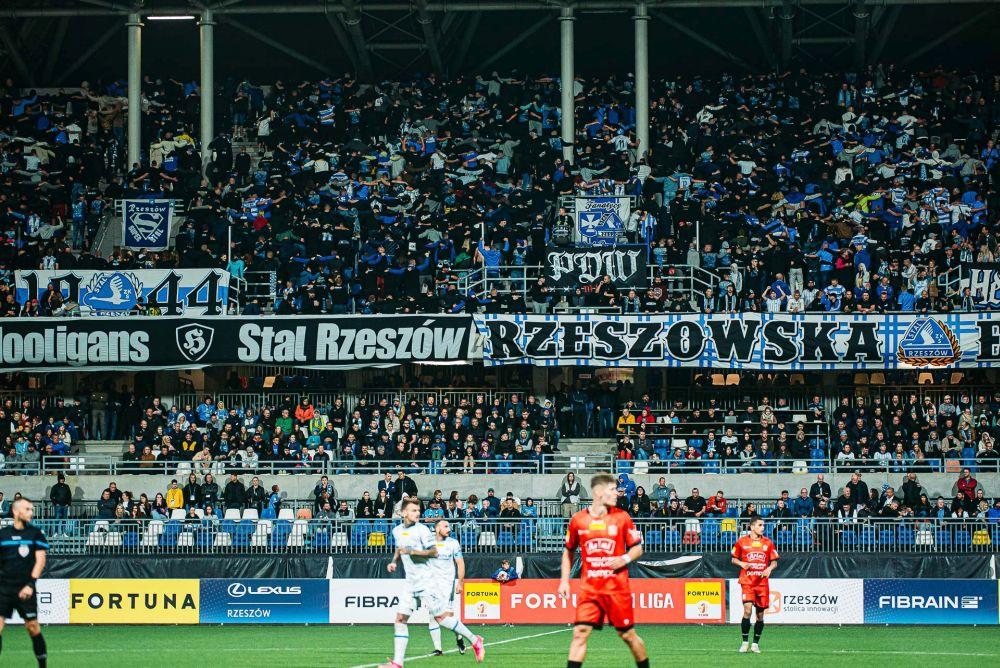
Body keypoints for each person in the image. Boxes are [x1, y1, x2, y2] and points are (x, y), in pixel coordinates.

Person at [380, 498, 484, 667]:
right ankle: (398, 663)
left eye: (418, 510)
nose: (418, 513)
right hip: (410, 582)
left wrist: (412, 551)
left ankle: (474, 639)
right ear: (404, 512)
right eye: (414, 510)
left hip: (426, 581)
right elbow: (400, 548)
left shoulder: (422, 531)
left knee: (441, 618)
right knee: (400, 620)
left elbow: (433, 552)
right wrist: (394, 561)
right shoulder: (397, 531)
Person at [560, 473, 648, 668]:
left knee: (628, 635)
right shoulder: (578, 520)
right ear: (598, 492)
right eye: (612, 489)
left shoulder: (622, 517)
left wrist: (624, 558)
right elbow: (568, 552)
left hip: (617, 588)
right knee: (580, 633)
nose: (617, 493)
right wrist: (564, 580)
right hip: (589, 589)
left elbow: (637, 548)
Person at [0, 497, 49, 667]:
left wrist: (30, 584)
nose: (31, 512)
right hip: (3, 589)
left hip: (25, 588)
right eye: (27, 509)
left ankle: (43, 665)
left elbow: (40, 560)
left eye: (31, 509)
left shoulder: (35, 533)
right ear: (15, 511)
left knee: (33, 627)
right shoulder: (3, 534)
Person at [731, 515, 779, 654]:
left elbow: (774, 562)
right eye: (760, 525)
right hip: (747, 582)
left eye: (763, 525)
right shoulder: (742, 542)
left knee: (760, 616)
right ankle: (745, 642)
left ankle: (755, 644)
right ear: (752, 527)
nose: (762, 527)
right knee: (747, 610)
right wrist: (741, 563)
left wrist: (769, 569)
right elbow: (733, 559)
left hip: (762, 584)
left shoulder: (768, 543)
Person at [426, 519, 468, 656]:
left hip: (447, 585)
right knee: (432, 616)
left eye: (449, 526)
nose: (449, 528)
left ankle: (460, 638)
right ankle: (438, 649)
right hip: (432, 586)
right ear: (437, 529)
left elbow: (460, 563)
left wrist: (460, 582)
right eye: (445, 526)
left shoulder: (453, 543)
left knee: (448, 617)